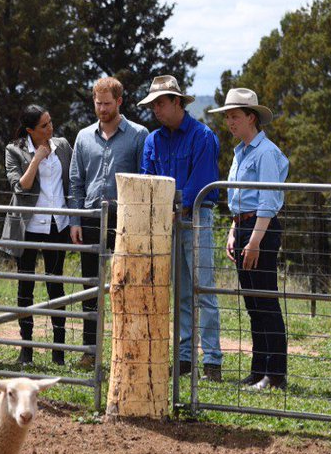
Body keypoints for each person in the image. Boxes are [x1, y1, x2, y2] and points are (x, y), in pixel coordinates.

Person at [138, 74, 223, 382]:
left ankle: (212, 361)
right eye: (153, 105)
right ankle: (185, 358)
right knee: (182, 293)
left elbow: (199, 187)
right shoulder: (153, 140)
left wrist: (167, 204)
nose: (156, 110)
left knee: (204, 290)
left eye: (160, 103)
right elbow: (147, 180)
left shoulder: (202, 136)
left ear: (177, 102)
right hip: (166, 223)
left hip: (196, 218)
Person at [68, 76, 149, 370]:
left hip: (124, 218)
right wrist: (75, 219)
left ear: (119, 102)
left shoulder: (139, 135)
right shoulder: (83, 137)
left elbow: (144, 180)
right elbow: (76, 181)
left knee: (126, 285)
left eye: (107, 103)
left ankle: (126, 352)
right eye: (97, 103)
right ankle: (90, 352)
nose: (101, 109)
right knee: (91, 286)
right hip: (90, 217)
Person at [210, 88, 289, 390]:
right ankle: (259, 370)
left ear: (251, 118)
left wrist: (255, 240)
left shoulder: (265, 152)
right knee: (253, 303)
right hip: (244, 226)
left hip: (261, 228)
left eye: (235, 116)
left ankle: (275, 373)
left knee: (265, 300)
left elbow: (268, 200)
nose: (230, 122)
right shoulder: (241, 152)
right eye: (228, 117)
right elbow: (239, 197)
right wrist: (234, 230)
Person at [3, 105, 73, 366]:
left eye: (51, 122)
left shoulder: (63, 146)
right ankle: (27, 348)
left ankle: (59, 351)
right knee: (26, 287)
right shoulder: (14, 150)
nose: (50, 129)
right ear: (30, 130)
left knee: (56, 286)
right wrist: (36, 159)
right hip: (28, 227)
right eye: (44, 126)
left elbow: (71, 180)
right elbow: (20, 187)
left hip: (58, 224)